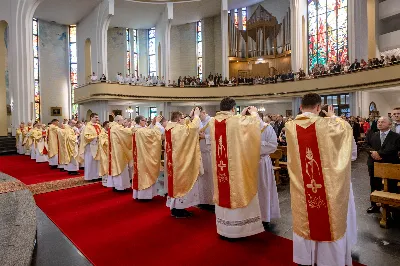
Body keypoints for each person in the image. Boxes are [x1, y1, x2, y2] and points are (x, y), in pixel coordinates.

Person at [285, 93, 355, 266]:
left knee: (306, 217)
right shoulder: (331, 125)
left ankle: (306, 258)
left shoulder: (290, 126)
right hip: (328, 184)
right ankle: (329, 260)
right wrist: (334, 116)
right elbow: (349, 147)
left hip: (303, 183)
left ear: (300, 107)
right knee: (329, 216)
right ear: (319, 107)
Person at [209, 98, 264, 240]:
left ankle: (223, 229)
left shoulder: (212, 122)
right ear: (233, 109)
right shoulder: (236, 121)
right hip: (235, 169)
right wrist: (253, 113)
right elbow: (255, 126)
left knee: (223, 193)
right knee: (237, 192)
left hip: (221, 168)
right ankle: (237, 231)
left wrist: (241, 116)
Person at [165, 109, 202, 218]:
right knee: (180, 186)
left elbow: (184, 127)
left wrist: (188, 117)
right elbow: (193, 129)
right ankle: (179, 210)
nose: (183, 120)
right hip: (180, 163)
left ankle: (175, 208)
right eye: (181, 118)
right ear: (177, 119)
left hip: (173, 162)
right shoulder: (178, 129)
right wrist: (196, 116)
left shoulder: (170, 127)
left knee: (175, 186)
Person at [366, 116, 400, 213]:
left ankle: (391, 208)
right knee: (374, 184)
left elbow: (394, 148)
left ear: (390, 124)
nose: (380, 123)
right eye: (379, 122)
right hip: (374, 163)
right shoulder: (372, 134)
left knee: (391, 185)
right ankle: (374, 206)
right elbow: (366, 145)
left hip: (389, 163)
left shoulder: (396, 136)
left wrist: (379, 153)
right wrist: (373, 153)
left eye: (383, 122)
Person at [132, 115, 163, 201]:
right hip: (143, 157)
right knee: (145, 174)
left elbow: (148, 130)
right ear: (139, 121)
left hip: (140, 155)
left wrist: (152, 123)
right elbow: (153, 134)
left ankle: (141, 195)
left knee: (142, 174)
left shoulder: (139, 129)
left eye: (146, 120)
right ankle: (144, 196)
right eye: (144, 120)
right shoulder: (140, 131)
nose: (145, 122)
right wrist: (157, 123)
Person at [258, 114, 280, 227]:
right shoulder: (244, 128)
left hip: (262, 162)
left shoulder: (267, 127)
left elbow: (273, 146)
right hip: (248, 163)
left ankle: (265, 215)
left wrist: (255, 146)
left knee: (264, 188)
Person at [109, 115, 133, 191]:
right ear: (118, 121)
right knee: (120, 167)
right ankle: (119, 186)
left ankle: (116, 185)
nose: (123, 122)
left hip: (115, 150)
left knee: (116, 167)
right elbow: (127, 133)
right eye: (122, 120)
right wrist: (132, 127)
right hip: (118, 151)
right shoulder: (117, 127)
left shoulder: (112, 126)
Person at [197, 106, 214, 211]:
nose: (199, 118)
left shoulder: (211, 121)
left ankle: (211, 201)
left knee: (210, 178)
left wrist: (205, 137)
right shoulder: (199, 122)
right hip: (200, 153)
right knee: (202, 177)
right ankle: (202, 200)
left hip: (209, 152)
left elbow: (217, 135)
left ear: (204, 112)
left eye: (199, 116)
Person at [79, 113, 101, 181]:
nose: (97, 119)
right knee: (90, 161)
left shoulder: (98, 126)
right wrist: (96, 137)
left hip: (97, 145)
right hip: (90, 146)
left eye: (97, 117)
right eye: (95, 117)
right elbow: (86, 137)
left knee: (97, 161)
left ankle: (97, 175)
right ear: (91, 117)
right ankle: (90, 177)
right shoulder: (87, 127)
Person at [99, 121, 111, 187]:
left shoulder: (108, 132)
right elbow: (104, 142)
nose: (109, 127)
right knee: (105, 165)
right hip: (104, 151)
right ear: (105, 126)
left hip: (109, 151)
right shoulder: (102, 133)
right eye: (108, 125)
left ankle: (109, 180)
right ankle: (105, 181)